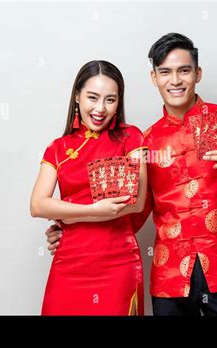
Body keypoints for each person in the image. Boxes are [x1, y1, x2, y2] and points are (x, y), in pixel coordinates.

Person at [46, 33, 217, 316]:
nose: (175, 80)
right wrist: (72, 231)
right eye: (165, 72)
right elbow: (130, 211)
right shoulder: (145, 142)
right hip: (170, 275)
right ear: (154, 77)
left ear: (198, 74)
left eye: (184, 71)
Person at [30, 60, 148, 315]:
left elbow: (135, 202)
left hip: (117, 262)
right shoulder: (58, 148)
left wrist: (67, 215)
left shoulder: (131, 137)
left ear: (119, 102)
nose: (100, 108)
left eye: (110, 100)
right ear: (77, 97)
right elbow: (38, 204)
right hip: (68, 262)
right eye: (92, 97)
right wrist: (95, 210)